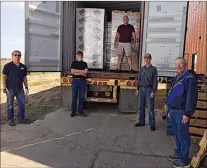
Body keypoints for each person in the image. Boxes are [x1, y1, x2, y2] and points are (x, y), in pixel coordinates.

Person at [165, 57, 198, 168]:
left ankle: (184, 160)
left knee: (183, 135)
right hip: (173, 111)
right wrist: (168, 105)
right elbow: (173, 93)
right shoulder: (177, 78)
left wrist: (187, 113)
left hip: (181, 112)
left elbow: (191, 98)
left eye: (181, 64)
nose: (178, 66)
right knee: (176, 134)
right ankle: (179, 154)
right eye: (177, 64)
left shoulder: (189, 79)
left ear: (185, 66)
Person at [2, 50, 30, 126]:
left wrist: (26, 87)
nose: (17, 57)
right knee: (10, 105)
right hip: (10, 89)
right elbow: (4, 77)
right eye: (15, 55)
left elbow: (24, 78)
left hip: (20, 89)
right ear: (12, 56)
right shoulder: (7, 66)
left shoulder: (23, 67)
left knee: (22, 104)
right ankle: (11, 119)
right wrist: (4, 88)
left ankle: (21, 119)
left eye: (19, 55)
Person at [134, 53, 158, 131]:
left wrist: (153, 91)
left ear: (150, 59)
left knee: (150, 108)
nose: (146, 60)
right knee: (141, 107)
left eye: (148, 58)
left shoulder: (153, 69)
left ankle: (152, 124)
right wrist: (137, 89)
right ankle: (141, 122)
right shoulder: (142, 68)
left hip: (149, 90)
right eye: (145, 58)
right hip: (141, 89)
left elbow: (155, 81)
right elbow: (139, 79)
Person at [70, 51, 88, 117]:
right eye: (78, 55)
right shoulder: (73, 63)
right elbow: (72, 72)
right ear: (76, 56)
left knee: (81, 97)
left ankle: (80, 111)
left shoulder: (85, 64)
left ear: (82, 56)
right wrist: (81, 72)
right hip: (75, 81)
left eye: (81, 56)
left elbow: (85, 72)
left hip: (82, 81)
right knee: (74, 97)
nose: (80, 57)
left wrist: (77, 71)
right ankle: (73, 112)